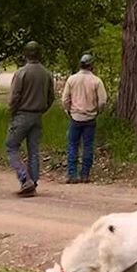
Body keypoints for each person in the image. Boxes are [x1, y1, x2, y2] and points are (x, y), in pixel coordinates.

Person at [6, 41, 55, 197]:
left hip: (22, 114)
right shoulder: (46, 73)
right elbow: (51, 97)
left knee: (11, 146)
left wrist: (12, 113)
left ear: (25, 54)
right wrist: (42, 109)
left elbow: (15, 96)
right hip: (37, 115)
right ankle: (33, 181)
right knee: (33, 149)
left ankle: (24, 178)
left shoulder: (21, 73)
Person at [61, 53, 107, 184]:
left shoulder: (72, 79)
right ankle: (85, 175)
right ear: (91, 66)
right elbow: (102, 101)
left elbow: (65, 99)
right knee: (88, 146)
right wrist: (98, 110)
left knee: (72, 145)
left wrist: (68, 110)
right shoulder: (96, 81)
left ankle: (72, 174)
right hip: (90, 118)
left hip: (75, 117)